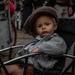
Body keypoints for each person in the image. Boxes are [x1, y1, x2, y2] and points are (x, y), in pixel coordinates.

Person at [1, 6, 67, 75]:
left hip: (40, 69)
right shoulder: (37, 41)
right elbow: (27, 50)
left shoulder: (57, 40)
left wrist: (40, 49)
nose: (43, 27)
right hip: (24, 63)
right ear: (36, 30)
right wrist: (20, 55)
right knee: (5, 69)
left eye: (47, 24)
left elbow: (59, 48)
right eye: (39, 26)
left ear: (55, 26)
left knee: (18, 72)